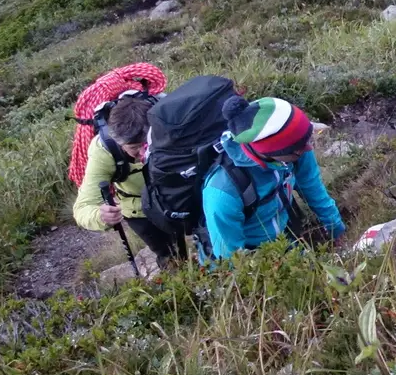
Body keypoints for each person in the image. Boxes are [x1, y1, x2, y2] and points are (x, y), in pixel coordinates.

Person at [204, 96, 346, 260]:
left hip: (285, 239)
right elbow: (231, 259)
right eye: (298, 147)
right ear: (271, 153)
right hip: (252, 257)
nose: (309, 148)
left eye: (307, 139)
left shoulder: (296, 150)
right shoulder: (222, 193)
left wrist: (336, 228)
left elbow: (312, 186)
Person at [70, 93, 183, 274]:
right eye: (133, 148)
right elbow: (82, 208)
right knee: (167, 253)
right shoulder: (104, 152)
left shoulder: (168, 127)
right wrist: (100, 216)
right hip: (138, 209)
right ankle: (180, 281)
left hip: (175, 195)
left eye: (146, 144)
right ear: (119, 142)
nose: (142, 153)